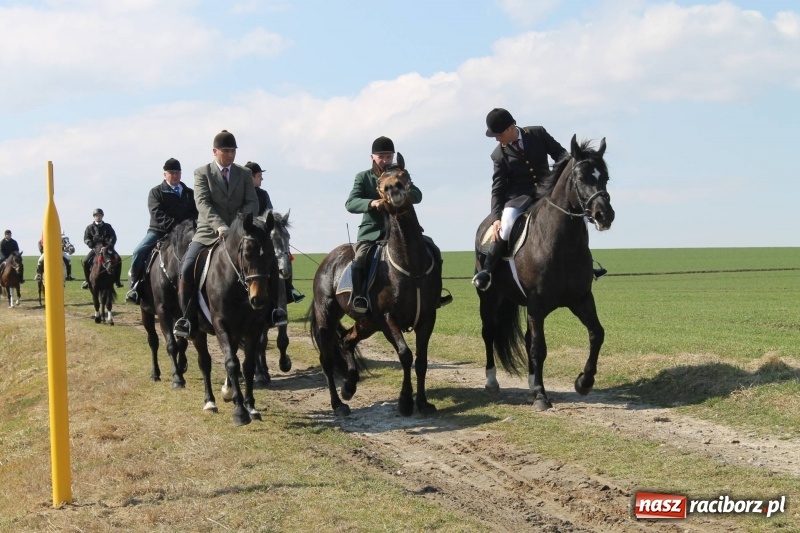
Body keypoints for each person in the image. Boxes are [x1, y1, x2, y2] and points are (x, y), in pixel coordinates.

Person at [472, 108, 608, 291]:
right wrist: (496, 217)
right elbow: (498, 189)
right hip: (517, 198)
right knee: (507, 226)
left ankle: (586, 264)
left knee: (580, 216)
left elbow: (562, 157)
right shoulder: (498, 155)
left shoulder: (537, 134)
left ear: (511, 127)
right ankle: (487, 271)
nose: (497, 139)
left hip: (547, 192)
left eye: (499, 134)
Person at [173, 130, 286, 338]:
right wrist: (220, 226)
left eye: (233, 151)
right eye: (226, 151)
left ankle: (273, 312)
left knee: (269, 264)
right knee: (186, 268)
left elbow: (252, 201)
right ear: (215, 151)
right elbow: (202, 203)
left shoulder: (243, 173)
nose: (231, 155)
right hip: (208, 232)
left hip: (241, 232)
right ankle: (187, 319)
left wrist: (238, 225)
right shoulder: (202, 173)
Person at [345, 136, 449, 314]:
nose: (385, 161)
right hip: (373, 233)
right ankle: (360, 296)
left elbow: (418, 195)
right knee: (360, 258)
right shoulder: (363, 177)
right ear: (372, 158)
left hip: (403, 232)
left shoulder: (399, 174)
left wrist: (403, 191)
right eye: (381, 157)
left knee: (432, 247)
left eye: (388, 157)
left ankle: (435, 294)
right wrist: (372, 203)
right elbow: (351, 203)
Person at [125, 158, 198, 304]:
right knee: (138, 251)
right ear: (165, 174)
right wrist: (176, 227)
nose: (175, 176)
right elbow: (156, 213)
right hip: (159, 231)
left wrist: (189, 227)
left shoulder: (190, 193)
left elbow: (196, 213)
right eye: (171, 173)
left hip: (186, 234)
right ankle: (135, 285)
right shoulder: (156, 192)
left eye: (177, 172)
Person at [244, 160, 304, 304]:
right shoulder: (241, 193)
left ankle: (289, 290)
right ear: (250, 177)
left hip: (263, 233)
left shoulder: (263, 194)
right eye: (259, 176)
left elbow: (269, 213)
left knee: (285, 254)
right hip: (248, 234)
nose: (261, 179)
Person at [81, 208, 122, 289]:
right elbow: (86, 238)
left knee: (118, 259)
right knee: (86, 261)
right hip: (95, 248)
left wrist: (108, 245)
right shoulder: (89, 227)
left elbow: (113, 237)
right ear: (94, 217)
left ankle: (117, 280)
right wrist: (90, 243)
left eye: (99, 215)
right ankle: (87, 281)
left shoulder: (108, 226)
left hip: (107, 248)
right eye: (96, 215)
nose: (98, 217)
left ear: (102, 216)